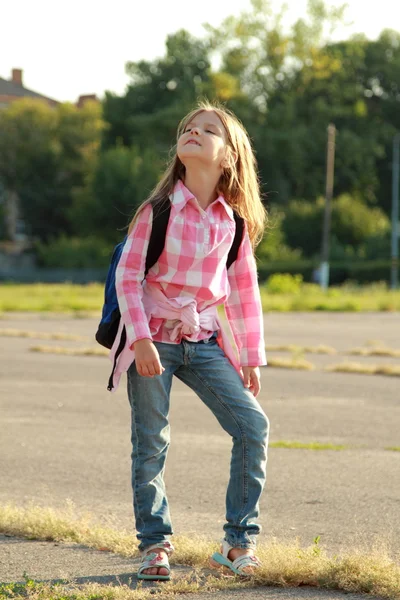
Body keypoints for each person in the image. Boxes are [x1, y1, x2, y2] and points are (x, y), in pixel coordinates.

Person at [111, 101, 269, 580]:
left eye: (209, 130)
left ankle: (237, 543)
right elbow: (127, 276)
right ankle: (155, 546)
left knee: (252, 426)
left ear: (228, 158)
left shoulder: (233, 223)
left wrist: (249, 357)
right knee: (152, 443)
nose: (194, 133)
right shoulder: (157, 211)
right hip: (152, 340)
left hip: (204, 340)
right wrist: (139, 340)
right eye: (189, 128)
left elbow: (244, 293)